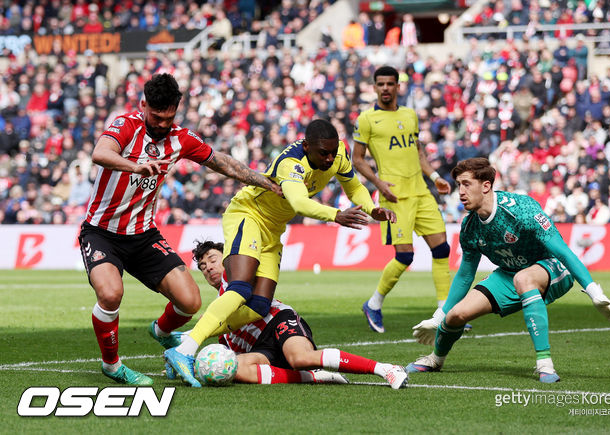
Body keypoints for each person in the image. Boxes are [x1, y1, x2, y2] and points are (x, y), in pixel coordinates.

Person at [78, 73, 281, 386]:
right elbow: (100, 153)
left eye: (168, 118)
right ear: (143, 105)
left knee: (190, 302)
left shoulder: (181, 138)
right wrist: (134, 166)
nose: (162, 124)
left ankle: (161, 331)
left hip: (143, 235)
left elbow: (223, 163)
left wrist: (265, 181)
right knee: (110, 293)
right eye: (156, 117)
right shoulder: (126, 125)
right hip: (102, 232)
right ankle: (112, 365)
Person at [164, 119, 396, 387]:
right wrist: (336, 215)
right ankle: (186, 349)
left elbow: (353, 186)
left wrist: (371, 208)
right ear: (306, 146)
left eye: (333, 152)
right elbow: (299, 202)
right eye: (323, 153)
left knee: (259, 305)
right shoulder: (291, 164)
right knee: (240, 288)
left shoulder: (338, 153)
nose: (330, 158)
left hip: (273, 229)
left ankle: (188, 337)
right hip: (248, 215)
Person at [407, 158, 610, 382]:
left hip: (552, 266)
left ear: (486, 186)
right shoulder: (470, 226)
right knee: (456, 315)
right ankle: (435, 359)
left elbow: (564, 252)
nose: (461, 192)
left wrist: (595, 294)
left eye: (466, 184)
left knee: (524, 279)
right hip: (510, 273)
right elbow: (465, 275)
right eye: (458, 185)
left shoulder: (521, 210)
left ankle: (545, 364)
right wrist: (439, 316)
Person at [176, 240, 408, 389]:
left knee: (301, 358)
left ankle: (385, 369)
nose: (208, 267)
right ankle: (314, 376)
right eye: (203, 267)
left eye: (212, 260)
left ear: (226, 258)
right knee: (234, 369)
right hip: (261, 350)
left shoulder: (236, 277)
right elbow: (227, 353)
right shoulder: (218, 310)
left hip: (277, 321)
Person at [352, 65, 455, 334]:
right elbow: (357, 159)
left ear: (398, 86)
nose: (386, 88)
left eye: (390, 84)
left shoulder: (410, 115)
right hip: (394, 196)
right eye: (381, 84)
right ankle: (373, 304)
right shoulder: (366, 119)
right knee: (405, 256)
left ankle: (444, 313)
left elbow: (418, 152)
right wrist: (378, 183)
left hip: (421, 192)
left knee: (442, 250)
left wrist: (435, 177)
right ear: (375, 87)